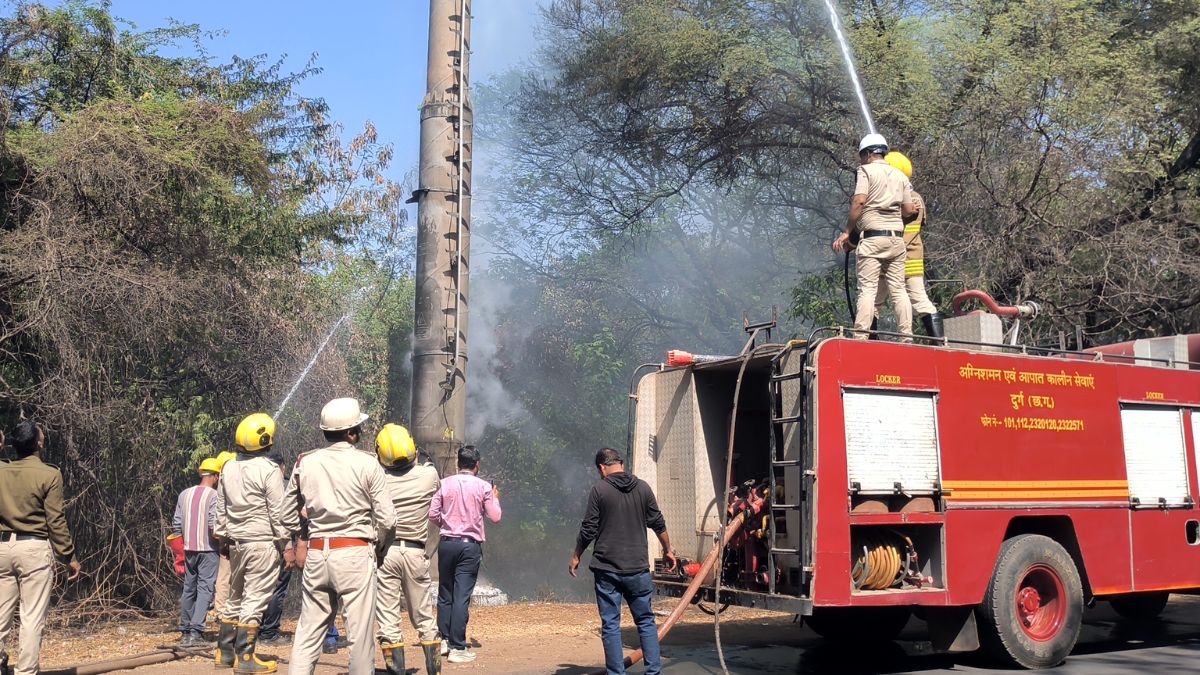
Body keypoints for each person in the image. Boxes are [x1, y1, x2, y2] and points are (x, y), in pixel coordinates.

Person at [282, 398, 396, 675]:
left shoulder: (305, 463)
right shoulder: (368, 463)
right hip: (356, 552)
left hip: (318, 554)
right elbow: (389, 520)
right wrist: (379, 550)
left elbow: (285, 515)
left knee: (308, 632)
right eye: (359, 427)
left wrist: (299, 539)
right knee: (358, 634)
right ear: (352, 433)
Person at [570, 448, 675, 675]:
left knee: (610, 625)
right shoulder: (643, 488)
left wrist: (577, 554)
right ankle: (653, 672)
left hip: (607, 570)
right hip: (638, 568)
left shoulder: (599, 490)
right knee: (646, 622)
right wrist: (668, 550)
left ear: (601, 468)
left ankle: (616, 673)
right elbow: (658, 523)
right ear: (621, 464)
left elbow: (588, 529)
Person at [0, 421, 82, 675]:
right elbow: (55, 520)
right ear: (39, 443)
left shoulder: (2, 471)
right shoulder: (49, 474)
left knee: (1, 613)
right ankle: (26, 672)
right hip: (34, 549)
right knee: (31, 616)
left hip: (2, 548)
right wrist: (68, 555)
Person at [214, 414, 287, 673]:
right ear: (265, 440)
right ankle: (245, 659)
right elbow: (278, 512)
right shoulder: (268, 470)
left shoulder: (229, 467)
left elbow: (221, 508)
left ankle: (224, 653)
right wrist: (286, 543)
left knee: (234, 597)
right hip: (262, 544)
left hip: (236, 543)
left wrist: (222, 537)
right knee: (255, 599)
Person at [833, 133, 918, 339]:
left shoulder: (865, 170)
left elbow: (859, 202)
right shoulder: (900, 176)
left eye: (862, 155)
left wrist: (846, 232)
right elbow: (909, 210)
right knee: (898, 290)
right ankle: (907, 337)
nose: (861, 160)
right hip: (896, 240)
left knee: (868, 289)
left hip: (873, 239)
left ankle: (860, 337)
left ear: (869, 154)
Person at [374, 423, 442, 675]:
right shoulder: (429, 475)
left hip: (385, 553)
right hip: (416, 551)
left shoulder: (377, 477)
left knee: (389, 619)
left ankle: (396, 672)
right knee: (424, 617)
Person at [429, 445, 501, 664]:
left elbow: (432, 514)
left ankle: (442, 639)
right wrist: (495, 498)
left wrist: (448, 523)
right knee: (462, 596)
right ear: (477, 465)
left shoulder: (444, 483)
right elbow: (495, 516)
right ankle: (458, 647)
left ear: (457, 464)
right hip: (469, 546)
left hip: (447, 543)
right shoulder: (483, 487)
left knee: (445, 592)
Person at [873, 151, 944, 339]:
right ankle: (870, 345)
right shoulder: (889, 197)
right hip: (888, 257)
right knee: (873, 301)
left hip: (905, 258)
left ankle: (938, 345)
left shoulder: (912, 198)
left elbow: (910, 231)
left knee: (919, 300)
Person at [172, 456, 224, 646]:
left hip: (188, 550)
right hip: (208, 549)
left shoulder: (184, 494)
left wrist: (180, 550)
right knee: (205, 589)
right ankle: (196, 631)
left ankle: (185, 630)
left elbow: (176, 524)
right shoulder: (214, 496)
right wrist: (224, 543)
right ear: (217, 476)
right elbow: (213, 525)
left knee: (189, 588)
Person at [256, 453, 295, 648]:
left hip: (258, 543)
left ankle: (254, 629)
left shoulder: (255, 482)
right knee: (277, 588)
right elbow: (286, 517)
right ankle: (269, 632)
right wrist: (288, 546)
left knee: (258, 588)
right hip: (279, 543)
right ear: (283, 467)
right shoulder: (285, 485)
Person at [210, 450, 237, 626]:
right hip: (228, 539)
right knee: (227, 576)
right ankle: (222, 612)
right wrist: (223, 540)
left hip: (226, 538)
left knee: (227, 576)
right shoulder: (225, 485)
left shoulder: (222, 484)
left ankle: (224, 611)